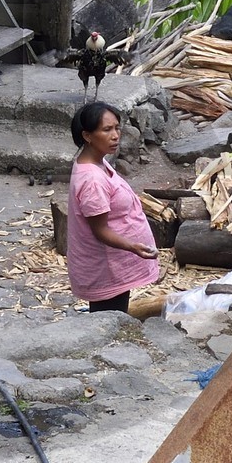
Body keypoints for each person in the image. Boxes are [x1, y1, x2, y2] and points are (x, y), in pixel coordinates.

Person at [67, 99, 160, 311]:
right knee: (109, 319)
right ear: (87, 136)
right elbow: (100, 230)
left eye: (117, 128)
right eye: (107, 129)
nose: (116, 135)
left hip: (114, 267)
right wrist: (133, 246)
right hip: (107, 270)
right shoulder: (92, 180)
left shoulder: (98, 162)